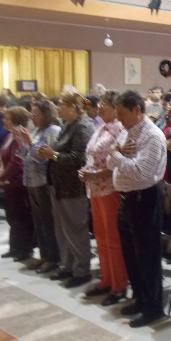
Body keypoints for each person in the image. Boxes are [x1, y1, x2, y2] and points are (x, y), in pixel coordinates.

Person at [107, 90, 167, 328]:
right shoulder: (126, 132)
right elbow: (111, 160)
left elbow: (141, 172)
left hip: (145, 198)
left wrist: (117, 154)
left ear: (137, 110)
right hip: (127, 199)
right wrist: (117, 154)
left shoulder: (152, 136)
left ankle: (154, 307)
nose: (118, 118)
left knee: (147, 257)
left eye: (122, 113)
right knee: (131, 255)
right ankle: (140, 298)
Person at [37, 92, 94, 287]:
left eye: (62, 106)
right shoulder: (67, 125)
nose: (59, 109)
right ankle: (68, 266)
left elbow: (79, 158)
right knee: (63, 229)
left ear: (73, 107)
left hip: (73, 186)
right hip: (59, 185)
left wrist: (53, 155)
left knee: (76, 229)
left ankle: (82, 270)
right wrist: (50, 154)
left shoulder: (83, 127)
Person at [78, 90, 129, 306]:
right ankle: (106, 280)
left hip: (110, 189)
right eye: (100, 104)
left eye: (105, 104)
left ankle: (119, 285)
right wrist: (86, 171)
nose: (100, 108)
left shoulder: (119, 131)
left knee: (112, 239)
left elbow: (116, 162)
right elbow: (91, 155)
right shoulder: (100, 128)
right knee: (100, 237)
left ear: (116, 108)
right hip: (95, 189)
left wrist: (95, 174)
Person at [13, 100, 61, 273]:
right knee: (39, 222)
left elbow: (44, 158)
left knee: (47, 222)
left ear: (46, 114)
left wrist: (29, 143)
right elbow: (26, 156)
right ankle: (44, 255)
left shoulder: (53, 131)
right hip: (31, 181)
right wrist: (21, 143)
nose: (32, 117)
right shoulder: (37, 131)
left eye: (36, 114)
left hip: (43, 181)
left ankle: (53, 258)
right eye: (31, 113)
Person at [0, 106, 36, 261]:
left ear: (16, 120)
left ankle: (25, 249)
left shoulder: (22, 137)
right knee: (11, 216)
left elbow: (17, 162)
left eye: (7, 118)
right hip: (8, 183)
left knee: (21, 217)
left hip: (18, 182)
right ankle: (14, 247)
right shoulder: (8, 136)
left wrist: (2, 177)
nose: (3, 120)